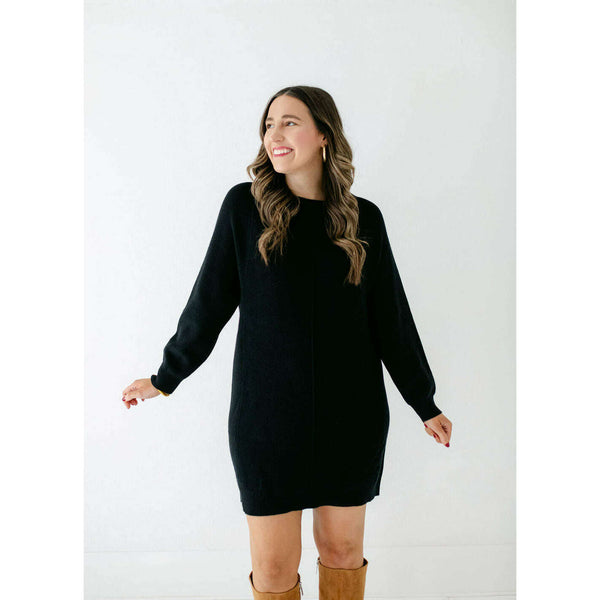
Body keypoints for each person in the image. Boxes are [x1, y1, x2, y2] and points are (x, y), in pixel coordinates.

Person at [121, 85, 452, 600]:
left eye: (290, 122)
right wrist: (166, 377)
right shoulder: (244, 207)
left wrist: (423, 401)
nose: (274, 134)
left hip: (352, 416)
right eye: (269, 123)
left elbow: (391, 319)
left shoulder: (364, 219)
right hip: (267, 418)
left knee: (342, 552)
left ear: (324, 135)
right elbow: (208, 303)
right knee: (274, 570)